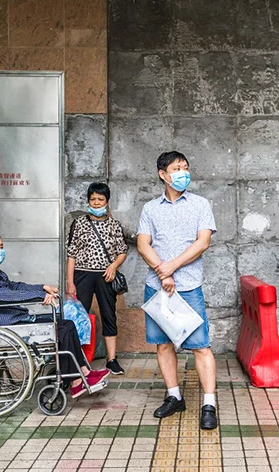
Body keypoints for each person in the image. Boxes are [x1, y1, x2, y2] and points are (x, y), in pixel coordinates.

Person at [0, 232, 110, 398]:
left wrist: (42, 288)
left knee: (67, 324)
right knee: (63, 329)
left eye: (1, 247)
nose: (0, 251)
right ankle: (76, 381)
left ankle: (83, 372)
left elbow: (15, 287)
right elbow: (1, 295)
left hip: (15, 318)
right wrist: (39, 297)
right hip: (6, 323)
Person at [136, 151, 218, 430]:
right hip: (157, 287)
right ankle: (174, 397)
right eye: (177, 168)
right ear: (163, 174)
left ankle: (209, 403)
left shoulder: (200, 204)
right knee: (162, 345)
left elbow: (202, 242)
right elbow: (143, 244)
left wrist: (170, 267)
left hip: (189, 286)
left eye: (186, 167)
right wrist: (162, 271)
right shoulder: (150, 208)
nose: (183, 172)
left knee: (201, 347)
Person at [66, 182, 128, 375]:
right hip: (82, 275)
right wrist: (70, 282)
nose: (96, 202)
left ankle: (112, 360)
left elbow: (122, 251)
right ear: (88, 201)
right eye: (93, 199)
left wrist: (114, 266)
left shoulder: (114, 225)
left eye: (100, 199)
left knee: (109, 315)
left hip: (106, 275)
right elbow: (72, 254)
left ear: (107, 202)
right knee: (78, 317)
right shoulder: (79, 223)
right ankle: (78, 361)